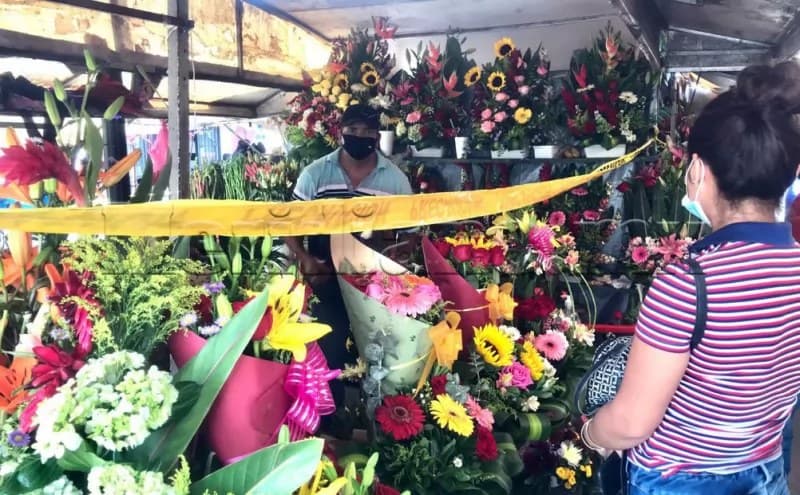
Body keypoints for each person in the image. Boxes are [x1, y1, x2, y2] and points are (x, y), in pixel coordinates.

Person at [582, 61, 800, 494]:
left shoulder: (689, 283)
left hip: (678, 479)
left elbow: (630, 423)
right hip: (764, 471)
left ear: (697, 169)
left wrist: (589, 434)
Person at [285, 104, 413, 414]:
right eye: (353, 130)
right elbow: (290, 224)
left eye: (368, 131)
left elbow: (412, 234)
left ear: (377, 135)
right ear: (340, 132)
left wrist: (394, 260)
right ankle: (331, 418)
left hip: (374, 285)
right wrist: (304, 259)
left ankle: (379, 421)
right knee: (329, 348)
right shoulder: (315, 174)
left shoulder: (395, 181)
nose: (360, 136)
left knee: (378, 355)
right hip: (324, 278)